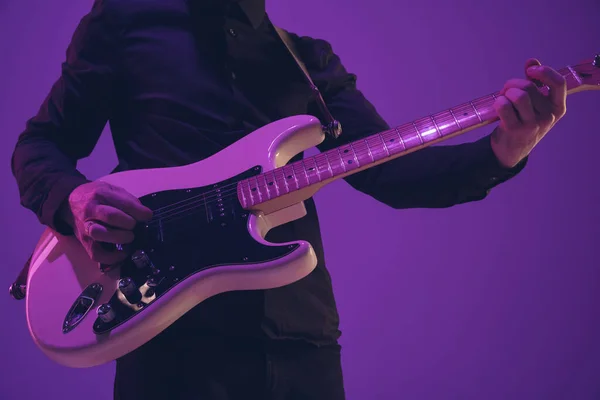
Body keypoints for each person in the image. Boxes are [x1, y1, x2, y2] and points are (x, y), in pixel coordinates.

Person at [10, 0, 567, 398]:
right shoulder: (125, 22)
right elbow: (39, 146)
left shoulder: (307, 62)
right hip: (169, 340)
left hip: (302, 345)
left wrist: (505, 148)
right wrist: (74, 198)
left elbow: (397, 175)